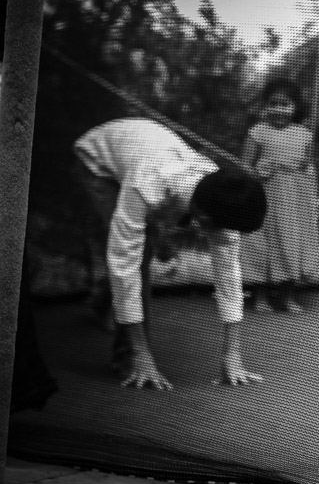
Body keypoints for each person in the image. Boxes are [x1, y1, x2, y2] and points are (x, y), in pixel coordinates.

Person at [73, 117, 268, 390]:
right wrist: (143, 352)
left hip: (150, 155)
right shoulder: (147, 185)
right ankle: (131, 356)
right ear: (201, 218)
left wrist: (232, 353)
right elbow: (124, 265)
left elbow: (229, 276)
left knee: (147, 245)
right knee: (135, 257)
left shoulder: (223, 201)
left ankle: (101, 302)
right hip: (98, 159)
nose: (226, 236)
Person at [241, 78, 319, 314]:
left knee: (291, 244)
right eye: (273, 103)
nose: (278, 109)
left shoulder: (304, 135)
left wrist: (313, 197)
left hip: (294, 201)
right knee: (263, 244)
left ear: (295, 107)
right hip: (265, 198)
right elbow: (245, 165)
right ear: (265, 106)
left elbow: (308, 168)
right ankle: (260, 297)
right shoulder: (258, 132)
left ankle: (287, 297)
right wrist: (257, 170)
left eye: (285, 104)